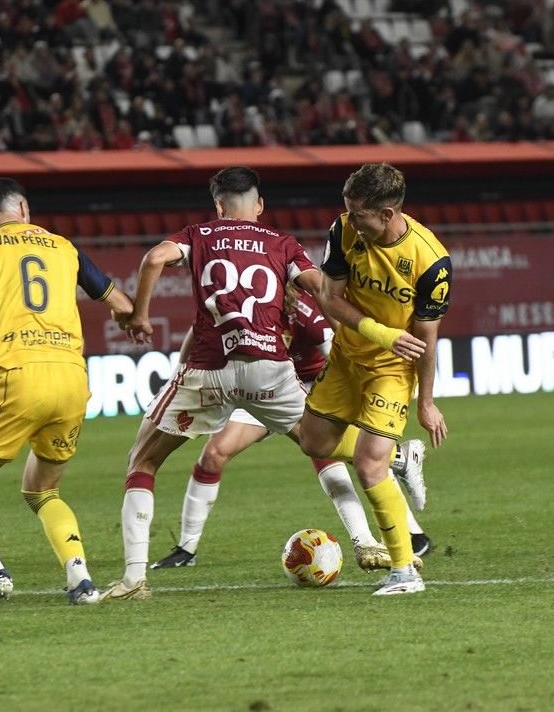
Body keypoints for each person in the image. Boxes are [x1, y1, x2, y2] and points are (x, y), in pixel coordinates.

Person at [105, 166, 322, 601]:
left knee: (142, 461)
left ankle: (133, 579)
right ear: (260, 205)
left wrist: (141, 315)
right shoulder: (282, 243)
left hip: (209, 370)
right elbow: (320, 287)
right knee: (324, 442)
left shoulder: (199, 234)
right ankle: (391, 471)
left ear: (218, 205)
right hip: (268, 369)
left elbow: (154, 259)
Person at [0, 177, 135, 613]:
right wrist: (134, 321)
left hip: (19, 375)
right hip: (72, 377)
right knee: (43, 491)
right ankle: (81, 579)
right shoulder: (65, 247)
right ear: (22, 207)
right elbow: (123, 304)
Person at [150, 284, 433, 572]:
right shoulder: (236, 303)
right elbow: (198, 329)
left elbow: (341, 351)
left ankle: (393, 536)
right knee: (214, 454)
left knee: (337, 455)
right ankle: (186, 548)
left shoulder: (305, 315)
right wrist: (177, 377)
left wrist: (348, 399)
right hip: (263, 386)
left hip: (312, 386)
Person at [297, 162, 452, 596]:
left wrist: (426, 402)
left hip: (392, 371)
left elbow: (426, 336)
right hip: (348, 357)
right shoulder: (343, 230)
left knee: (368, 466)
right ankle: (402, 457)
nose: (352, 221)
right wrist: (381, 333)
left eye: (359, 214)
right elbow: (330, 297)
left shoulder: (431, 261)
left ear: (386, 214)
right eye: (348, 210)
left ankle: (404, 572)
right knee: (313, 442)